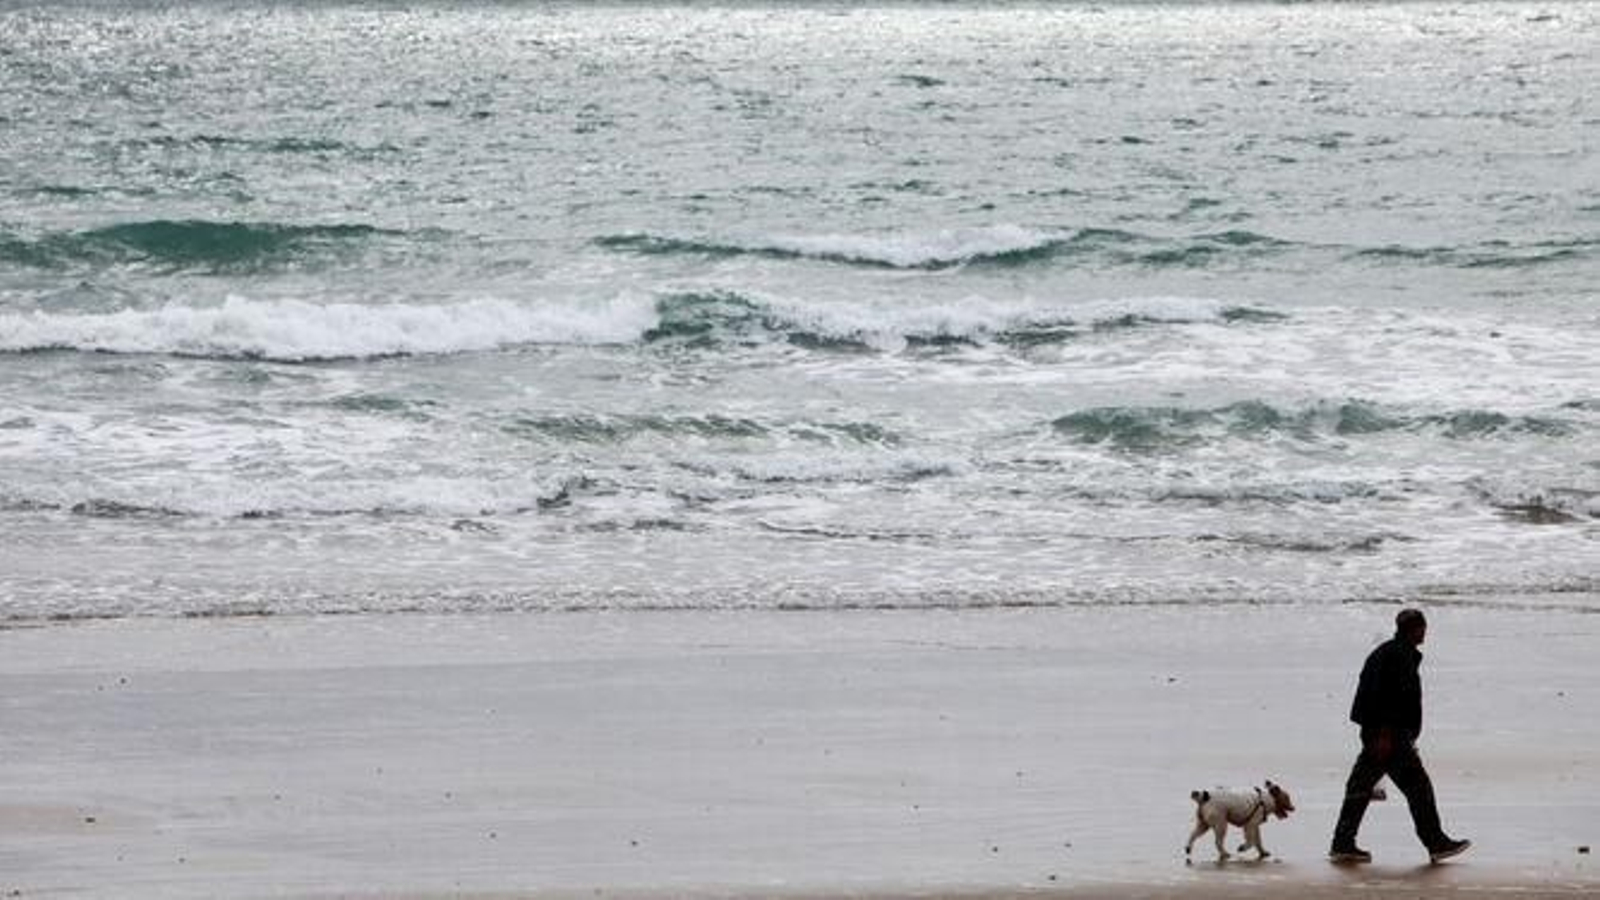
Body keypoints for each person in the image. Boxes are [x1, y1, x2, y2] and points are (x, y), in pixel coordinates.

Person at [1330, 608, 1471, 864]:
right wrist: (1386, 735)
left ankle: (1342, 843)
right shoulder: (1398, 656)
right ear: (1415, 629)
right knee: (1418, 789)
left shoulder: (1388, 652)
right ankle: (1436, 843)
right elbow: (1387, 699)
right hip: (1389, 736)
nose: (1425, 633)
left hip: (1381, 734)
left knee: (1359, 788)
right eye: (1422, 628)